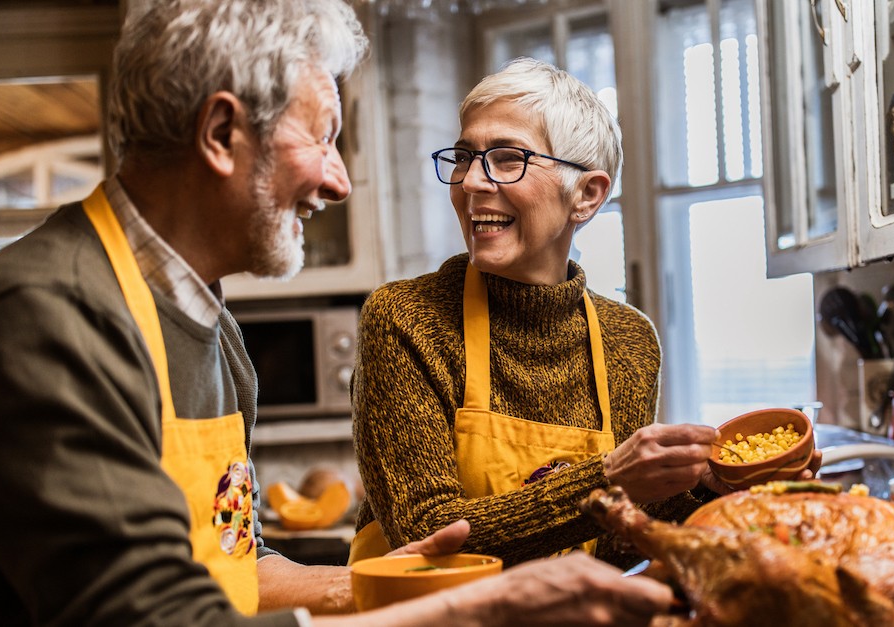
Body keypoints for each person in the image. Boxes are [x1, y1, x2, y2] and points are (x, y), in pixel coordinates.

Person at [0, 2, 672, 625]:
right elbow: (153, 616)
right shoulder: (50, 313)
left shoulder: (209, 326)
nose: (340, 180)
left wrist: (383, 586)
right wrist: (479, 601)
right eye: (323, 137)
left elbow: (236, 565)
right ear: (222, 133)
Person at [350, 58, 821, 567]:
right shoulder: (406, 318)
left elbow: (618, 540)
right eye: (465, 157)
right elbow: (426, 535)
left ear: (587, 195)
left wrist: (710, 488)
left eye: (507, 158)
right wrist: (609, 479)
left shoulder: (629, 340)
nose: (470, 183)